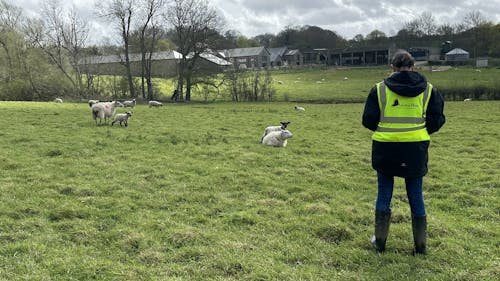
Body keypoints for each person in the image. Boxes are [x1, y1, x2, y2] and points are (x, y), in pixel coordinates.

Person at [362, 50, 445, 255]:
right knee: (416, 194)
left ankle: (380, 243)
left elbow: (368, 120)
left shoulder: (379, 89)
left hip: (385, 148)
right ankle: (420, 246)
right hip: (415, 149)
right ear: (413, 66)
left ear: (392, 67)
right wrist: (420, 130)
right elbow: (437, 119)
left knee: (384, 193)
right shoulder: (429, 90)